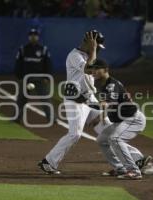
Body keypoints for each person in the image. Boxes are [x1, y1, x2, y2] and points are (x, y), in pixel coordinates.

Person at [38, 30, 106, 174]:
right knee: (75, 134)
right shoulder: (74, 56)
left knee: (109, 129)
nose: (98, 49)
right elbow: (88, 69)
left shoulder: (88, 56)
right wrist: (93, 49)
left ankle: (131, 162)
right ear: (90, 42)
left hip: (89, 99)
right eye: (97, 46)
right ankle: (48, 162)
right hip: (74, 100)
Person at [92, 59, 150, 179]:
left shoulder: (111, 85)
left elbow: (108, 103)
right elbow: (109, 105)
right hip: (123, 120)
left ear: (106, 70)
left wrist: (93, 103)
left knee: (115, 139)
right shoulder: (104, 85)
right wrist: (100, 117)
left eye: (97, 68)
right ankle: (121, 168)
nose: (94, 71)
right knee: (102, 139)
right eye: (93, 69)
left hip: (133, 119)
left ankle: (133, 171)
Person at [14, 28, 54, 123]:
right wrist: (19, 77)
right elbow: (18, 64)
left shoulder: (43, 49)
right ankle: (18, 117)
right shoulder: (23, 49)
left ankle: (51, 118)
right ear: (29, 37)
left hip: (40, 78)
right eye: (31, 35)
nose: (33, 37)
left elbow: (48, 64)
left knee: (45, 99)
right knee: (21, 99)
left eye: (35, 35)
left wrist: (46, 77)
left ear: (38, 37)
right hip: (26, 78)